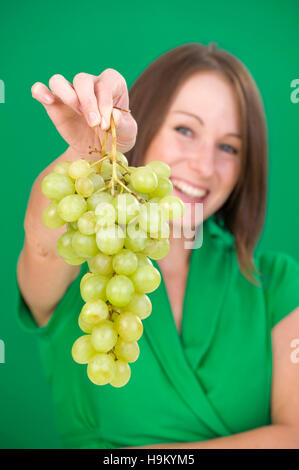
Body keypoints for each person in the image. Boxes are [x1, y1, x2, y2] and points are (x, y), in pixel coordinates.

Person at [16, 43, 299, 449]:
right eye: (185, 130)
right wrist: (90, 148)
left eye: (229, 147)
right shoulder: (86, 257)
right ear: (142, 124)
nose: (204, 165)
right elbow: (43, 243)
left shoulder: (278, 282)